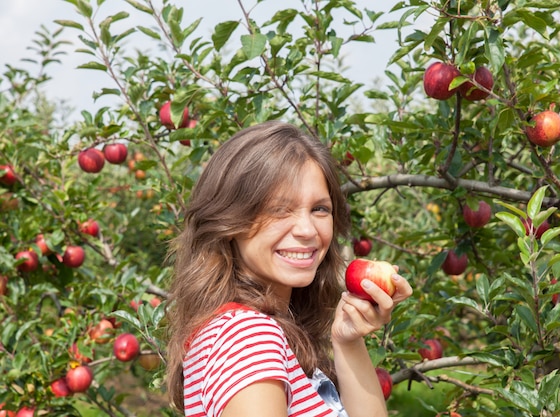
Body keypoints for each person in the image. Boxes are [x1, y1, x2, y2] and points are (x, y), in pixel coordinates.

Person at [165, 120, 413, 417]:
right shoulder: (247, 336)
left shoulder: (252, 331)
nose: (308, 230)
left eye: (320, 209)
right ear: (230, 222)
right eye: (279, 209)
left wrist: (347, 342)